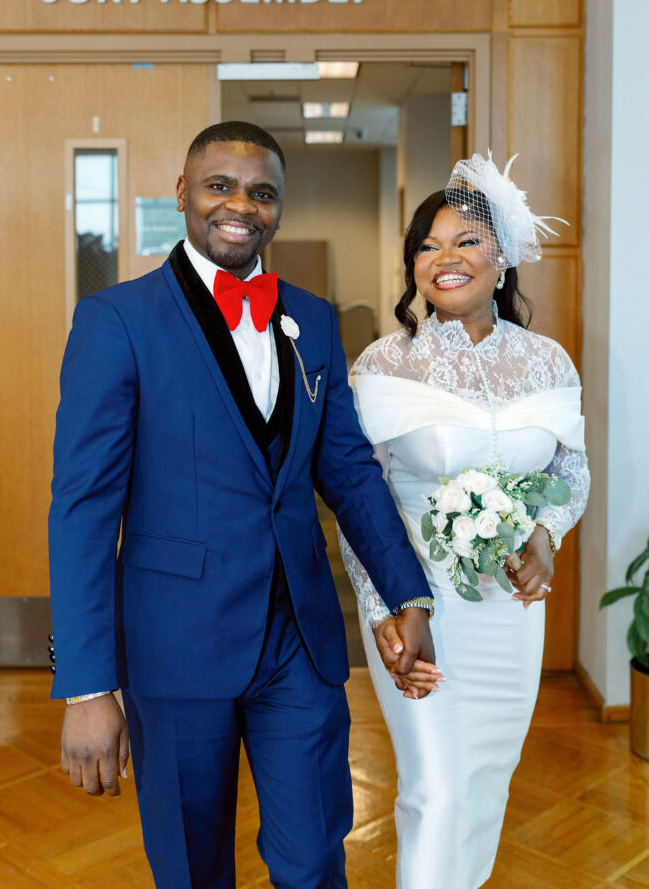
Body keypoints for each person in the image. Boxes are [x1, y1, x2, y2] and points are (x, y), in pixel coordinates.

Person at [48, 120, 441, 889]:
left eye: (261, 193)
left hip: (298, 638)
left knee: (313, 858)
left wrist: (407, 593)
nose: (240, 206)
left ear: (279, 207)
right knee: (193, 869)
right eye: (219, 186)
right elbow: (83, 511)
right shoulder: (117, 321)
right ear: (182, 195)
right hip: (175, 646)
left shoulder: (312, 319)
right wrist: (88, 686)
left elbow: (348, 471)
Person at [339, 152, 590, 889]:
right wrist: (388, 607)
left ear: (502, 257)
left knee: (483, 785)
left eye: (465, 241)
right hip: (420, 605)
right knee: (437, 790)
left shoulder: (548, 362)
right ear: (413, 266)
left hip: (509, 613)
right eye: (427, 246)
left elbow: (569, 472)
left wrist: (544, 537)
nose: (444, 258)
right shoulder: (384, 364)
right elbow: (359, 500)